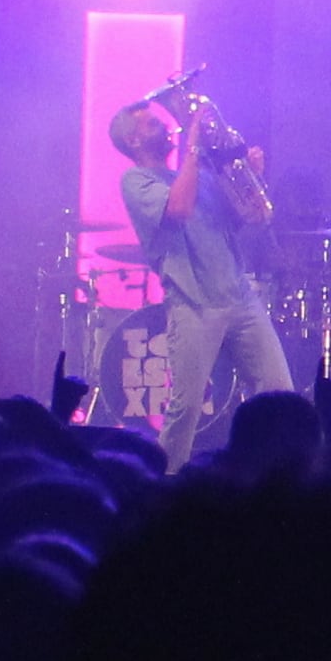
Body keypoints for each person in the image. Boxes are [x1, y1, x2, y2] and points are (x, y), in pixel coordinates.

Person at [113, 88, 286, 461]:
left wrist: (251, 178)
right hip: (193, 304)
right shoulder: (136, 182)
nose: (167, 127)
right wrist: (193, 142)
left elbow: (250, 217)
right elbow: (178, 208)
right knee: (186, 407)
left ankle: (275, 477)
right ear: (134, 139)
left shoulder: (201, 177)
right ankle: (166, 484)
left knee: (279, 394)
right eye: (155, 124)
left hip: (241, 297)